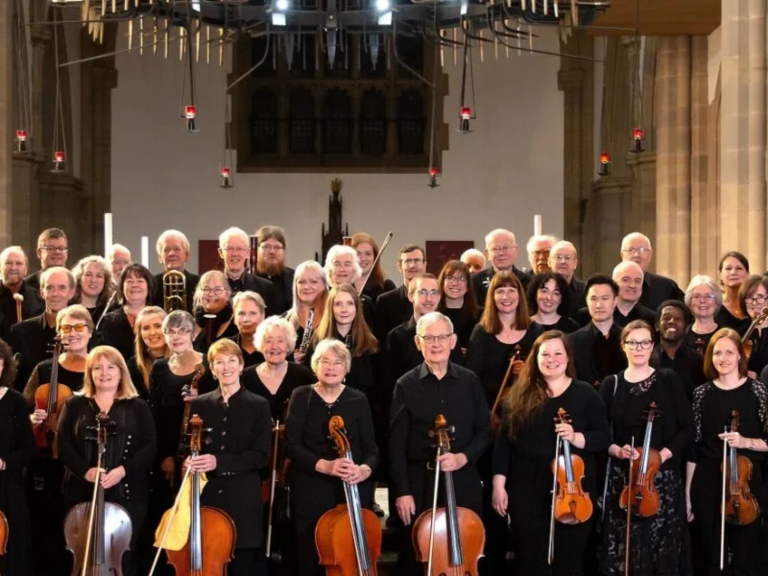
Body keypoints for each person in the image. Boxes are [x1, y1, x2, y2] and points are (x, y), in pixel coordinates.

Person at [492, 331, 609, 576]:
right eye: (545, 354)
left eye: (558, 353)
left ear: (568, 359)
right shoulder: (519, 395)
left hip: (572, 489)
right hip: (526, 488)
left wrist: (577, 437)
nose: (551, 359)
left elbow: (603, 437)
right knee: (530, 559)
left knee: (569, 560)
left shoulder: (585, 393)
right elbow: (504, 444)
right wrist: (498, 485)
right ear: (536, 359)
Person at [389, 312, 491, 576]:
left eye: (442, 337)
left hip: (463, 478)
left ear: (453, 341)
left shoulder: (469, 381)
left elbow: (484, 432)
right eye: (429, 338)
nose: (436, 344)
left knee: (467, 548)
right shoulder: (405, 384)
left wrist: (463, 457)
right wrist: (402, 491)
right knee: (421, 554)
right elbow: (396, 443)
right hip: (421, 482)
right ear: (417, 342)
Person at [599, 320, 693, 575]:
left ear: (652, 345)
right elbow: (600, 434)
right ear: (624, 346)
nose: (639, 347)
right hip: (624, 479)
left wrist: (661, 455)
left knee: (661, 548)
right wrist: (617, 450)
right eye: (632, 342)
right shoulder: (612, 384)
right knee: (624, 550)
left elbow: (687, 428)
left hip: (661, 479)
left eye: (645, 342)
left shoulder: (667, 379)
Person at [57, 345, 156, 575]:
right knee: (83, 554)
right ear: (89, 373)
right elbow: (63, 446)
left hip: (128, 494)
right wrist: (86, 471)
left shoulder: (138, 406)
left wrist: (123, 470)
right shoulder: (74, 404)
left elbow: (150, 448)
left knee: (123, 557)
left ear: (121, 372)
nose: (104, 373)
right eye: (97, 368)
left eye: (111, 367)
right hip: (81, 493)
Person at [284, 339, 379, 576]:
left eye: (338, 362)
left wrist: (364, 470)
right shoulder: (301, 396)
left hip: (352, 486)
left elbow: (373, 450)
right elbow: (291, 445)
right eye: (324, 361)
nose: (331, 367)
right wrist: (324, 465)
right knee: (311, 554)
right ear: (315, 365)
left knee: (352, 554)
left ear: (346, 368)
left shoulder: (358, 399)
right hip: (311, 487)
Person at [464, 270, 536, 573]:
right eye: (499, 291)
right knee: (491, 502)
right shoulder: (482, 332)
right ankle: (490, 564)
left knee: (522, 502)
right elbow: (472, 381)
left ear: (520, 296)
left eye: (511, 291)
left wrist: (526, 375)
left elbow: (546, 379)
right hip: (492, 426)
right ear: (491, 298)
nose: (505, 297)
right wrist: (489, 414)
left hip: (526, 426)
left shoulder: (534, 332)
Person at [185, 338, 272, 576]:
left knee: (241, 564)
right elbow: (186, 446)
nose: (226, 367)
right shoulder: (200, 405)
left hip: (243, 497)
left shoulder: (259, 405)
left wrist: (219, 462)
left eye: (232, 360)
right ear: (212, 369)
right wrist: (188, 459)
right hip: (207, 494)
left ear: (242, 365)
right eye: (219, 362)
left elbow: (261, 455)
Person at [687, 328, 768, 576]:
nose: (723, 358)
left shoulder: (757, 391)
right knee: (711, 557)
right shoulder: (701, 394)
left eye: (729, 352)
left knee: (748, 557)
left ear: (740, 357)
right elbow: (694, 446)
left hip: (747, 480)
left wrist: (745, 442)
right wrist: (688, 494)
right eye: (717, 353)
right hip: (709, 480)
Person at [148, 310, 211, 493]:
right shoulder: (159, 367)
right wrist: (165, 455)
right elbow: (155, 415)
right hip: (169, 450)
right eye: (170, 331)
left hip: (201, 447)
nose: (176, 336)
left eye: (183, 330)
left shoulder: (208, 364)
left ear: (193, 334)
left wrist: (200, 399)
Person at [0, 338, 37, 576]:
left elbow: (29, 449)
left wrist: (4, 462)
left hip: (6, 488)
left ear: (4, 365)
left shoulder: (14, 400)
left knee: (11, 552)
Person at [9, 266, 76, 391]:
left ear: (71, 292)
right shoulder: (19, 332)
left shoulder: (81, 333)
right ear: (41, 292)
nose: (55, 294)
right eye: (49, 288)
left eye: (62, 288)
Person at [242, 316, 315, 421]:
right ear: (261, 345)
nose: (274, 346)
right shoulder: (246, 377)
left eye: (280, 341)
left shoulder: (304, 376)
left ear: (288, 345)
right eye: (268, 341)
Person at [308, 284, 378, 393]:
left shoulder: (369, 341)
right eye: (338, 304)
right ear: (330, 308)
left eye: (350, 304)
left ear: (357, 307)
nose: (344, 310)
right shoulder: (318, 339)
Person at [567, 275, 626, 387]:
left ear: (615, 301)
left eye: (605, 298)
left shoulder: (628, 338)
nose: (599, 305)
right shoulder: (572, 341)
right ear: (586, 301)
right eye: (593, 299)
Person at [96, 263, 154, 361]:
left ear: (149, 286)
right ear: (122, 287)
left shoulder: (159, 317)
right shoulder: (108, 320)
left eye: (140, 281)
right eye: (130, 281)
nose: (135, 285)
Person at [651, 300, 706, 400]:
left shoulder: (699, 362)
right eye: (666, 318)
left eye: (678, 319)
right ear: (657, 326)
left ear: (686, 327)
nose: (672, 321)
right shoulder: (645, 360)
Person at [619, 232, 684, 311]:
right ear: (622, 255)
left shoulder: (667, 287)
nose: (636, 255)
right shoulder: (609, 287)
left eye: (642, 250)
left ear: (650, 256)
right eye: (631, 250)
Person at [375, 244, 426, 343]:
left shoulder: (436, 299)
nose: (412, 265)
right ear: (399, 266)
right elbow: (380, 342)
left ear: (424, 265)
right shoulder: (385, 302)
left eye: (417, 260)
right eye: (408, 261)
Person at [218, 227, 278, 309]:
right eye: (229, 248)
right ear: (221, 253)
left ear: (248, 253)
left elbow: (271, 321)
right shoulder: (211, 286)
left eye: (239, 249)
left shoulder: (265, 287)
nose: (234, 253)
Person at [586, 260, 655, 329]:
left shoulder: (651, 319)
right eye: (626, 280)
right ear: (614, 283)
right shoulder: (588, 315)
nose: (632, 285)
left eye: (637, 281)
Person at [284, 260, 329, 364]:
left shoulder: (335, 318)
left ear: (324, 284)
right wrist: (290, 360)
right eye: (301, 282)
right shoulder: (284, 321)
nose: (306, 287)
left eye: (313, 282)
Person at [472, 229, 531, 306]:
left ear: (515, 251)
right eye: (495, 249)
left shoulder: (529, 282)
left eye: (506, 248)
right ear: (487, 254)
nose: (501, 253)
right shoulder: (475, 282)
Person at [324, 244, 375, 327]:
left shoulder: (366, 303)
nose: (342, 269)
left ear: (354, 270)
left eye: (347, 264)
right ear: (329, 270)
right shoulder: (322, 300)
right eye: (337, 264)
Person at [0, 246, 44, 339]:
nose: (13, 267)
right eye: (8, 263)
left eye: (19, 264)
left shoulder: (38, 298)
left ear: (26, 269)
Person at [151, 230, 199, 313]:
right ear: (160, 258)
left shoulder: (199, 283)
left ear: (187, 255)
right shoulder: (150, 284)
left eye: (177, 249)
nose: (171, 253)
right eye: (166, 250)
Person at [125, 306, 168, 399]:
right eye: (146, 328)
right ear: (140, 334)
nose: (152, 332)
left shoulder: (182, 360)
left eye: (158, 326)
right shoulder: (133, 365)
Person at [437, 259, 481, 349]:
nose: (455, 283)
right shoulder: (433, 315)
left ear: (468, 285)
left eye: (461, 279)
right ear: (442, 282)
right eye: (450, 278)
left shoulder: (481, 315)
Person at [191, 270, 237, 353]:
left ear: (228, 294)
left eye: (218, 289)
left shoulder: (236, 324)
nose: (211, 294)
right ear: (198, 294)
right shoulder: (190, 324)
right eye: (206, 289)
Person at [254, 225, 295, 316]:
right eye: (266, 246)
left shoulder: (295, 278)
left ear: (284, 250)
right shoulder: (247, 278)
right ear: (256, 249)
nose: (272, 251)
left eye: (277, 247)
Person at [352, 232, 397, 302]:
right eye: (358, 254)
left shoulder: (387, 287)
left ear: (375, 257)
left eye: (368, 254)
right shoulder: (342, 285)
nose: (363, 258)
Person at [70, 255, 115, 325]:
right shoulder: (67, 309)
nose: (93, 280)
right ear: (79, 278)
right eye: (88, 274)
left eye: (99, 276)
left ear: (105, 281)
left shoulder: (112, 312)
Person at [684, 275, 722, 354]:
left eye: (708, 296)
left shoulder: (725, 335)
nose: (702, 300)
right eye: (697, 296)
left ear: (716, 302)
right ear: (690, 302)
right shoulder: (682, 336)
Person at [739, 274, 768, 378]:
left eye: (760, 297)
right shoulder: (738, 331)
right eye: (749, 298)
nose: (754, 303)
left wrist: (759, 377)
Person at [548, 240, 586, 318]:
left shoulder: (585, 290)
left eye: (567, 257)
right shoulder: (540, 290)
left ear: (575, 263)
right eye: (558, 257)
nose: (563, 261)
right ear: (549, 262)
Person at [715, 251, 750, 331]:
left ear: (747, 274)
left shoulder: (755, 304)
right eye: (728, 268)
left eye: (739, 268)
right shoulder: (714, 307)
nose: (733, 272)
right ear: (720, 275)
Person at [232, 291, 266, 367]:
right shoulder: (225, 348)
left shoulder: (274, 348)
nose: (246, 319)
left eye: (252, 313)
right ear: (234, 318)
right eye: (241, 314)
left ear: (263, 316)